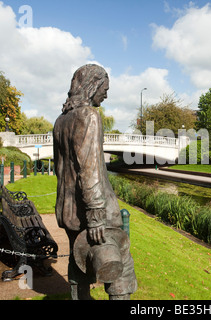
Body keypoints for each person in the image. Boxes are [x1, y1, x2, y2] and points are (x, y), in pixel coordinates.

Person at [53, 64, 137, 300]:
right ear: (92, 86)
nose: (106, 94)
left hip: (69, 213)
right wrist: (96, 215)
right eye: (104, 88)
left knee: (79, 265)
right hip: (96, 213)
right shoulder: (89, 116)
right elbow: (88, 170)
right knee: (120, 270)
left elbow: (61, 170)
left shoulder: (61, 121)